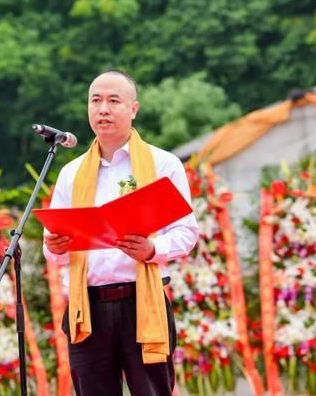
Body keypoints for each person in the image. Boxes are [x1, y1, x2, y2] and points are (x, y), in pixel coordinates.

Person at [43, 69, 199, 396]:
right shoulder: (72, 174)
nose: (103, 109)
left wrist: (152, 249)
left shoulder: (163, 165)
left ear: (133, 109)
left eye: (114, 100)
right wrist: (55, 245)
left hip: (141, 302)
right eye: (95, 100)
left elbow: (186, 232)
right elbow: (54, 251)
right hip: (89, 308)